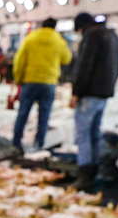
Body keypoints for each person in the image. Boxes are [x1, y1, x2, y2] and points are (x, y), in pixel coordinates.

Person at [71, 12, 118, 191]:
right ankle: (94, 171)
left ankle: (85, 174)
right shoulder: (113, 35)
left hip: (89, 93)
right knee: (95, 133)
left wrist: (76, 90)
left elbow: (84, 64)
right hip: (104, 93)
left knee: (83, 134)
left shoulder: (91, 35)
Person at [11, 17, 73, 152]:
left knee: (23, 113)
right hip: (48, 83)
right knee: (44, 115)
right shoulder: (59, 40)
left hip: (30, 81)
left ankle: (16, 142)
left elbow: (19, 61)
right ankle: (39, 144)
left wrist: (18, 79)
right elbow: (67, 58)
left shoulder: (31, 38)